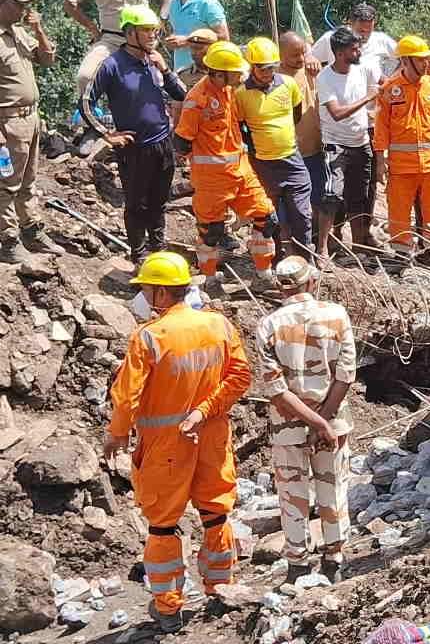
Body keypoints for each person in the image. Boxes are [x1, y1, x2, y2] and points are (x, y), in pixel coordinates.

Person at [104, 252, 250, 633]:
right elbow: (240, 378)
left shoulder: (149, 336)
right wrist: (204, 410)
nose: (145, 297)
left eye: (148, 289)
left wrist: (117, 433)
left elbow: (126, 396)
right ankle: (221, 588)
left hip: (165, 446)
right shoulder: (219, 325)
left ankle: (168, 608)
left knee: (162, 527)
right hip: (211, 437)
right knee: (216, 513)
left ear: (162, 293)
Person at [255, 256, 357, 585]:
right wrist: (324, 422)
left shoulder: (268, 326)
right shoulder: (337, 315)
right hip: (334, 421)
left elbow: (276, 390)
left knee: (292, 495)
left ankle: (297, 564)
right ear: (312, 282)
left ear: (280, 288)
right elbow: (346, 375)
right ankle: (334, 560)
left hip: (288, 427)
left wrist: (313, 423)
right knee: (333, 488)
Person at [81, 5, 185, 262]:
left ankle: (158, 250)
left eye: (155, 31)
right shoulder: (112, 65)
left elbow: (183, 95)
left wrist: (166, 70)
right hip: (134, 148)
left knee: (159, 202)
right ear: (129, 33)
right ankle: (139, 255)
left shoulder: (154, 61)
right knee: (136, 204)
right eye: (146, 31)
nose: (153, 36)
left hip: (163, 142)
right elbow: (85, 102)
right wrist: (107, 133)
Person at [174, 41, 278, 284]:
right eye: (236, 71)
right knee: (211, 232)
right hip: (212, 179)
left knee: (267, 218)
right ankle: (210, 279)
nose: (242, 74)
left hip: (241, 171)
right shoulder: (197, 100)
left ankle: (264, 273)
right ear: (220, 73)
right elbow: (180, 142)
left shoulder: (229, 91)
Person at [374, 35, 430, 254]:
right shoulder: (390, 89)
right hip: (401, 166)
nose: (425, 63)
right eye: (420, 60)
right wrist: (380, 161)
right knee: (399, 210)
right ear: (406, 60)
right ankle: (401, 252)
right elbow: (381, 127)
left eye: (426, 59)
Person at [236, 37, 313, 259]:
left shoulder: (288, 85)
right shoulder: (241, 95)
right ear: (252, 66)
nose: (269, 72)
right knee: (269, 215)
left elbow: (296, 114)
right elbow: (241, 127)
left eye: (272, 67)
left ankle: (305, 259)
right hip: (263, 164)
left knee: (301, 214)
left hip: (291, 160)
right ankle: (276, 257)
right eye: (263, 68)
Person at [0, 0, 60, 264]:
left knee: (28, 182)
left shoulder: (19, 33)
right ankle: (8, 242)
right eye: (18, 4)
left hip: (31, 119)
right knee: (6, 185)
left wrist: (38, 29)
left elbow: (47, 60)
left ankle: (31, 230)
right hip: (7, 124)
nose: (25, 9)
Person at [315, 26, 380, 257]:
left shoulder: (361, 70)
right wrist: (367, 99)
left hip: (361, 142)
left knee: (359, 197)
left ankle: (359, 246)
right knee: (331, 196)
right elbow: (336, 113)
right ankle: (322, 247)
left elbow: (381, 84)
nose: (358, 52)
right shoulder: (325, 78)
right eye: (354, 49)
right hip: (336, 145)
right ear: (340, 54)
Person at [281, 32, 326, 253]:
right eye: (294, 55)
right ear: (280, 55)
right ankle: (290, 246)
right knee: (291, 202)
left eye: (302, 53)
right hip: (288, 151)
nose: (300, 58)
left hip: (314, 147)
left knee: (319, 197)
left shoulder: (311, 70)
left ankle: (318, 242)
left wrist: (310, 56)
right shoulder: (275, 77)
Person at [158, 0, 229, 73]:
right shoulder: (173, 2)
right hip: (180, 72)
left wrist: (186, 41)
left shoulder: (207, 2)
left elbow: (224, 38)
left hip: (205, 73)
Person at [309, 3, 398, 78]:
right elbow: (311, 57)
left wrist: (392, 79)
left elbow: (404, 59)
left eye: (369, 30)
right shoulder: (330, 39)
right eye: (361, 31)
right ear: (351, 23)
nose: (365, 35)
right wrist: (309, 58)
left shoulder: (382, 40)